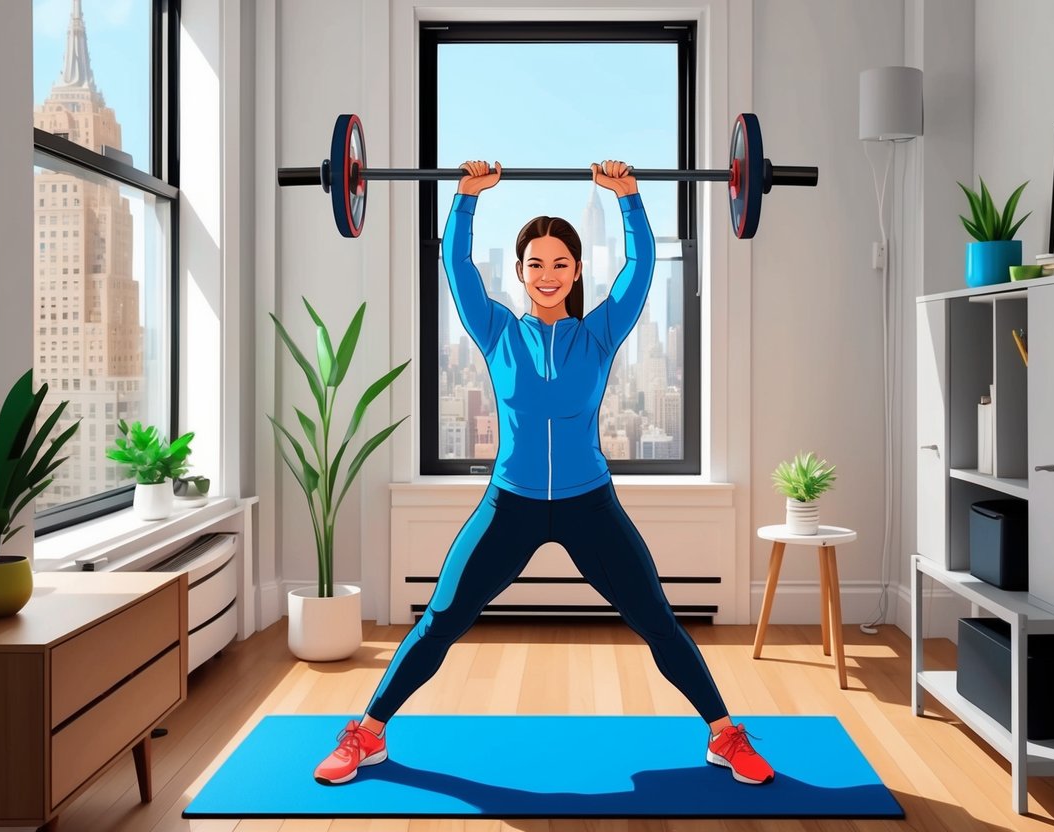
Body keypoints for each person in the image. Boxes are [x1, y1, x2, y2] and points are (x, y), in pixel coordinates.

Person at [313, 159, 775, 787]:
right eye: (536, 264)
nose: (548, 275)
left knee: (657, 621)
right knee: (443, 619)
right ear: (521, 272)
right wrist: (466, 199)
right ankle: (367, 733)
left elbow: (640, 272)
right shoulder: (497, 329)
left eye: (561, 264)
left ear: (578, 271)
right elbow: (457, 268)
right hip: (510, 505)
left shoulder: (600, 334)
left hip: (590, 506)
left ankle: (724, 735)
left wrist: (630, 200)